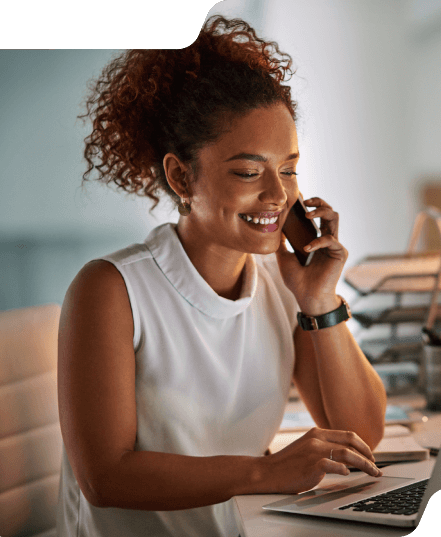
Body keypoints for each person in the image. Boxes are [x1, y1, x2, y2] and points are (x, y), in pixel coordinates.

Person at [56, 14, 386, 537]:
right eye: (249, 172)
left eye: (290, 168)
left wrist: (321, 301)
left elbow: (362, 433)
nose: (279, 196)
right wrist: (267, 471)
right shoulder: (111, 289)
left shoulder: (282, 283)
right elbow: (105, 477)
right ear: (181, 175)